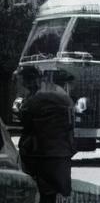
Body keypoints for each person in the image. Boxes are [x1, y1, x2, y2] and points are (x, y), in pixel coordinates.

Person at [16, 67, 75, 203]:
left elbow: (26, 122)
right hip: (61, 154)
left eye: (23, 82)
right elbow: (70, 126)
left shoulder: (34, 99)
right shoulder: (62, 96)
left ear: (29, 81)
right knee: (52, 194)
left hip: (40, 155)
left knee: (42, 192)